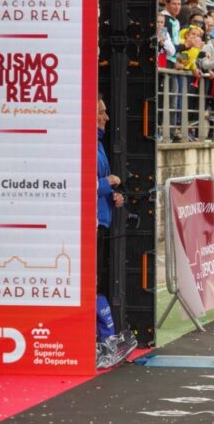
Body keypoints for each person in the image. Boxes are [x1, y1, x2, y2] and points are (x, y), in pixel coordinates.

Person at [97, 95, 125, 289]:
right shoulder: (83, 144)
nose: (106, 117)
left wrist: (114, 196)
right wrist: (107, 183)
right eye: (101, 112)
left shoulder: (97, 143)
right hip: (90, 225)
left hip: (101, 221)